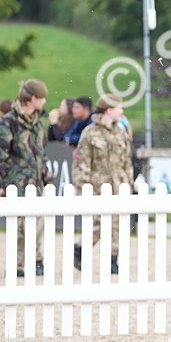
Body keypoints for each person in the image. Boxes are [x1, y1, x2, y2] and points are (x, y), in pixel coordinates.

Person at [0, 80, 51, 277]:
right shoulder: (7, 123)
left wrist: (46, 175)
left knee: (38, 223)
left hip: (35, 183)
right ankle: (18, 265)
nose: (45, 101)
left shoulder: (38, 124)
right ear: (32, 99)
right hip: (16, 183)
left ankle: (38, 260)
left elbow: (41, 153)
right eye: (42, 98)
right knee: (20, 227)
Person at [73, 94, 134, 274]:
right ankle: (81, 247)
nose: (121, 111)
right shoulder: (90, 133)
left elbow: (126, 161)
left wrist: (128, 183)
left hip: (118, 185)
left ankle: (112, 260)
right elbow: (81, 162)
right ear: (108, 109)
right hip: (98, 187)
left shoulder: (120, 133)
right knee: (100, 223)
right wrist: (83, 186)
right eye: (118, 107)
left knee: (117, 224)